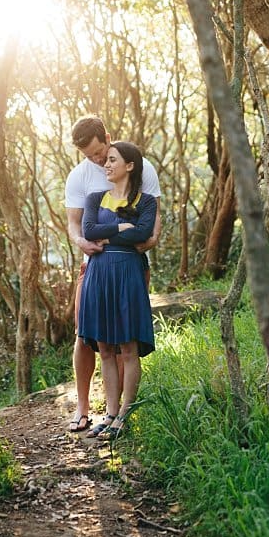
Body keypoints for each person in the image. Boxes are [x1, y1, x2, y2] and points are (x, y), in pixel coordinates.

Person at [64, 116, 161, 433]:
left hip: (131, 266)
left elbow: (149, 227)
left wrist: (142, 237)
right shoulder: (80, 177)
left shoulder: (141, 167)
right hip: (93, 266)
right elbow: (79, 225)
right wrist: (83, 240)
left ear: (107, 137)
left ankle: (118, 413)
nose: (96, 160)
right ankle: (84, 408)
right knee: (86, 336)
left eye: (98, 152)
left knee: (126, 341)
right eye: (88, 155)